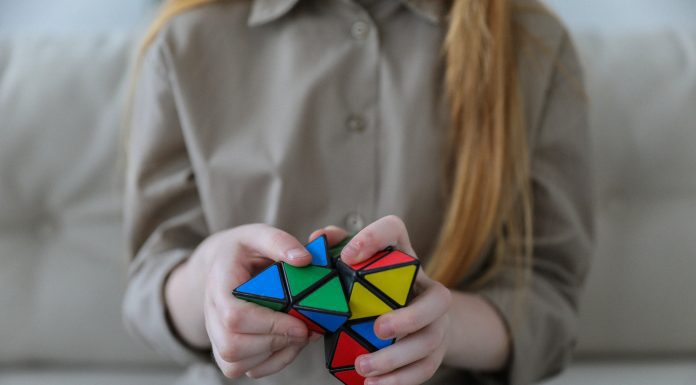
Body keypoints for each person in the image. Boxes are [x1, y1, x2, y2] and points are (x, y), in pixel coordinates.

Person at [123, 0, 593, 384]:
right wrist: (208, 275)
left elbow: (548, 301)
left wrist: (445, 328)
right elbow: (148, 289)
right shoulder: (185, 42)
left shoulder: (533, 47)